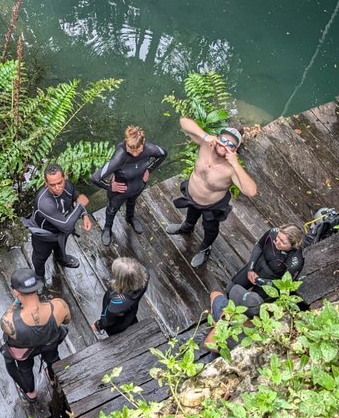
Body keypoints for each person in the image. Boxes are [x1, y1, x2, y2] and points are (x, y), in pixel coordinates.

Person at [165, 118, 258, 268]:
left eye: (231, 145)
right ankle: (186, 227)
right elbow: (183, 121)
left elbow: (251, 191)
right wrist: (205, 136)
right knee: (191, 214)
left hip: (212, 205)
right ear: (217, 138)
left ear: (234, 150)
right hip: (192, 196)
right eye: (223, 140)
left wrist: (235, 163)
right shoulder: (205, 145)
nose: (225, 145)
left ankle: (205, 248)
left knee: (210, 228)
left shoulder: (231, 169)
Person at [0, 268, 71, 402]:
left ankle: (31, 392)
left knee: (25, 368)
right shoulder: (59, 306)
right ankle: (53, 377)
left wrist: (16, 302)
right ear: (37, 287)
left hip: (24, 351)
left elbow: (6, 327)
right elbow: (67, 320)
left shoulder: (8, 321)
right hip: (50, 344)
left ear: (16, 291)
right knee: (52, 359)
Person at [91, 126, 167, 246]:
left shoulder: (149, 149)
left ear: (144, 142)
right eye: (131, 149)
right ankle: (107, 228)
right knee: (112, 209)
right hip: (119, 191)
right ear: (126, 143)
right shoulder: (120, 156)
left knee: (132, 202)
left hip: (138, 185)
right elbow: (95, 178)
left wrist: (149, 169)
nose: (135, 153)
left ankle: (130, 218)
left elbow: (164, 153)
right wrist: (110, 187)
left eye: (138, 149)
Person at [22, 163, 92, 284]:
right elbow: (66, 225)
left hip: (61, 229)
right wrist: (81, 207)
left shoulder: (68, 185)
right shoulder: (44, 202)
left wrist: (84, 215)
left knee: (61, 245)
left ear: (64, 177)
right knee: (40, 257)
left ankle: (61, 258)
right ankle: (39, 276)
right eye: (52, 185)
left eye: (60, 183)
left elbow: (76, 196)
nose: (57, 188)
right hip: (44, 234)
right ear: (46, 183)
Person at [227, 224, 305, 300]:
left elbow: (284, 284)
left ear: (293, 245)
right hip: (255, 267)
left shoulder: (295, 262)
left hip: (268, 282)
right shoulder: (273, 232)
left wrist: (260, 281)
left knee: (250, 304)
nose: (277, 242)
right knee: (230, 289)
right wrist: (250, 269)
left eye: (283, 242)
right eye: (278, 237)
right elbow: (259, 246)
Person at [91, 257, 149, 336]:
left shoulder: (118, 301)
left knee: (116, 332)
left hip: (117, 325)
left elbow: (108, 319)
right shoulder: (145, 275)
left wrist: (98, 325)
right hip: (131, 312)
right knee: (130, 318)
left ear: (122, 281)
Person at [203, 285, 264, 353]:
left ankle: (213, 320)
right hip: (235, 318)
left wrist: (224, 321)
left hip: (226, 328)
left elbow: (207, 344)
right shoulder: (264, 320)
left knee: (215, 293)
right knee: (216, 293)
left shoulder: (236, 341)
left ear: (239, 312)